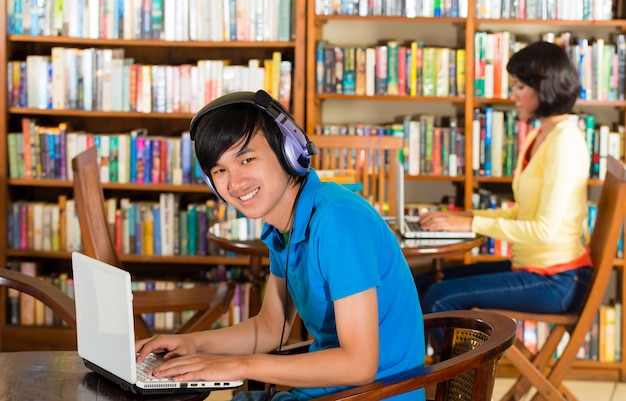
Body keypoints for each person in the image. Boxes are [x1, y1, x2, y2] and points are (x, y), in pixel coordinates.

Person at [136, 89, 425, 401]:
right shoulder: (283, 226)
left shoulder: (337, 221)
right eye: (220, 170)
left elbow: (359, 365)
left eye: (246, 159)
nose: (234, 183)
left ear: (289, 151)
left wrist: (238, 366)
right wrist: (192, 344)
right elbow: (272, 327)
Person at [416, 41, 593, 319]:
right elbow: (522, 212)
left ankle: (457, 365)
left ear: (545, 87)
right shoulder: (540, 136)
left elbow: (543, 231)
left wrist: (472, 223)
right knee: (423, 282)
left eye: (520, 87)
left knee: (438, 299)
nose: (514, 96)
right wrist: (468, 215)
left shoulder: (565, 143)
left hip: (557, 279)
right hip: (533, 268)